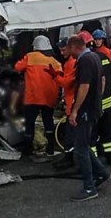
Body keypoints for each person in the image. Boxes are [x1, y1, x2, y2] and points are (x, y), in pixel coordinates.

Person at [67, 35, 111, 202]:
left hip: (85, 111)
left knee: (80, 148)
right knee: (84, 146)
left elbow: (84, 86)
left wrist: (75, 111)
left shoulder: (84, 60)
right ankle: (102, 173)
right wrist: (98, 100)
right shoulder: (95, 56)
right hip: (94, 108)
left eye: (67, 49)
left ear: (73, 47)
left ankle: (89, 188)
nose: (67, 53)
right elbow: (102, 79)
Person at [14, 35, 62, 156]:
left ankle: (28, 150)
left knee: (30, 123)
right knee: (48, 122)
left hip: (33, 97)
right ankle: (50, 148)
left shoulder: (30, 57)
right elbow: (61, 79)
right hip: (49, 98)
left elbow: (17, 67)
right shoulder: (55, 62)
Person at [79, 31, 111, 164]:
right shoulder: (103, 56)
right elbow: (110, 76)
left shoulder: (87, 60)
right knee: (107, 132)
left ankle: (93, 162)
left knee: (92, 134)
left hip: (95, 103)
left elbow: (86, 84)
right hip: (107, 100)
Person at [46, 37, 77, 170]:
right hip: (72, 103)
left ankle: (70, 159)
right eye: (60, 50)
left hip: (74, 105)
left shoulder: (72, 63)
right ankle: (70, 157)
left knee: (71, 135)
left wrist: (56, 76)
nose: (61, 52)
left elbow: (67, 83)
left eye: (64, 50)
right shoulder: (70, 62)